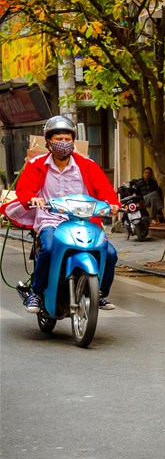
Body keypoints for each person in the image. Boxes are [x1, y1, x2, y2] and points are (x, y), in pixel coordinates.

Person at [13, 115, 120, 312]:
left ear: (73, 141)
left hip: (83, 221)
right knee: (48, 249)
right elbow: (24, 189)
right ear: (48, 142)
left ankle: (100, 294)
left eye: (67, 139)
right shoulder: (37, 164)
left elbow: (105, 191)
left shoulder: (87, 165)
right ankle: (36, 293)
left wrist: (112, 204)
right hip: (50, 220)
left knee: (111, 253)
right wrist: (33, 198)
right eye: (58, 139)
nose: (63, 143)